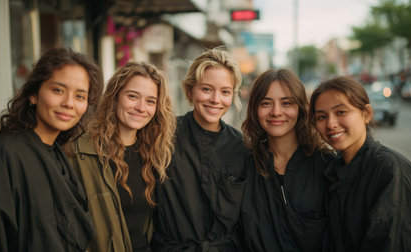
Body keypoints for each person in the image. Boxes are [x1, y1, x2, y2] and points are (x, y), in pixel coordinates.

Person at [0, 48, 103, 251]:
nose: (69, 103)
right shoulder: (2, 154)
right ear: (33, 94)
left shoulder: (57, 153)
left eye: (80, 96)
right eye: (58, 90)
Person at [66, 61, 176, 252]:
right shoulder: (79, 152)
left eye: (150, 101)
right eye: (133, 96)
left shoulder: (155, 153)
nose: (141, 107)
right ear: (115, 97)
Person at [151, 47, 246, 251]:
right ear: (189, 90)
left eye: (225, 92)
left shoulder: (242, 147)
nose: (215, 99)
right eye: (206, 89)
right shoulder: (163, 136)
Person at [309, 76, 411, 252]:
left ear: (366, 113)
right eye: (321, 116)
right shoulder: (334, 170)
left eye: (341, 112)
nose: (330, 124)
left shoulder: (388, 170)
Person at [240, 69, 332, 252]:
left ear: (300, 108)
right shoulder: (243, 163)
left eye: (286, 103)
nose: (276, 112)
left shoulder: (326, 165)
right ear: (254, 109)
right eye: (266, 103)